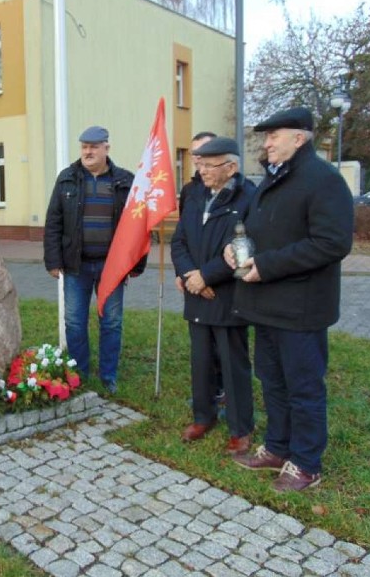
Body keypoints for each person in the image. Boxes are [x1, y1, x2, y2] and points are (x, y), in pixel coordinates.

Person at [225, 107, 354, 492]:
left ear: (299, 138)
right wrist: (232, 250)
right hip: (265, 305)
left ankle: (307, 464)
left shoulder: (323, 180)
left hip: (301, 307)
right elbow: (247, 226)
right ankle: (279, 449)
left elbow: (332, 243)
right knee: (272, 381)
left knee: (303, 387)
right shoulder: (273, 178)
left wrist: (266, 265)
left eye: (273, 136)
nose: (266, 144)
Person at [43, 125, 146, 394]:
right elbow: (53, 221)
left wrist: (136, 264)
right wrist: (53, 261)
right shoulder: (67, 178)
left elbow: (139, 223)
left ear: (106, 148)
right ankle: (80, 372)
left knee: (111, 321)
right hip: (76, 265)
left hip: (112, 266)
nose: (88, 152)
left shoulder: (125, 180)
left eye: (94, 147)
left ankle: (108, 375)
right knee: (75, 322)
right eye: (84, 147)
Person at [171, 137, 255, 453]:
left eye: (209, 164)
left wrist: (206, 276)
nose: (202, 170)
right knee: (201, 360)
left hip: (228, 296)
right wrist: (188, 274)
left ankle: (240, 427)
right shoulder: (195, 195)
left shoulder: (249, 198)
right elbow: (179, 241)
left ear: (231, 167)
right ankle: (203, 416)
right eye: (200, 163)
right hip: (196, 293)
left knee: (233, 365)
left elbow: (243, 247)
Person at [176, 131, 225, 406]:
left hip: (220, 282)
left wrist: (207, 277)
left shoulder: (235, 192)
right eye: (195, 154)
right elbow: (183, 237)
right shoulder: (191, 191)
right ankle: (205, 394)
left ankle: (224, 390)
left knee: (222, 345)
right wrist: (184, 273)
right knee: (201, 345)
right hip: (193, 280)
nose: (198, 159)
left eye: (204, 153)